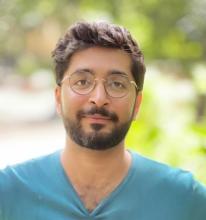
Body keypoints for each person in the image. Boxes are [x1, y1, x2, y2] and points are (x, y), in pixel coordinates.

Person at [0, 21, 205, 220]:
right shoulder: (9, 192)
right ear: (58, 98)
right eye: (82, 81)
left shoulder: (184, 199)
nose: (99, 98)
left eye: (117, 84)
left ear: (137, 104)